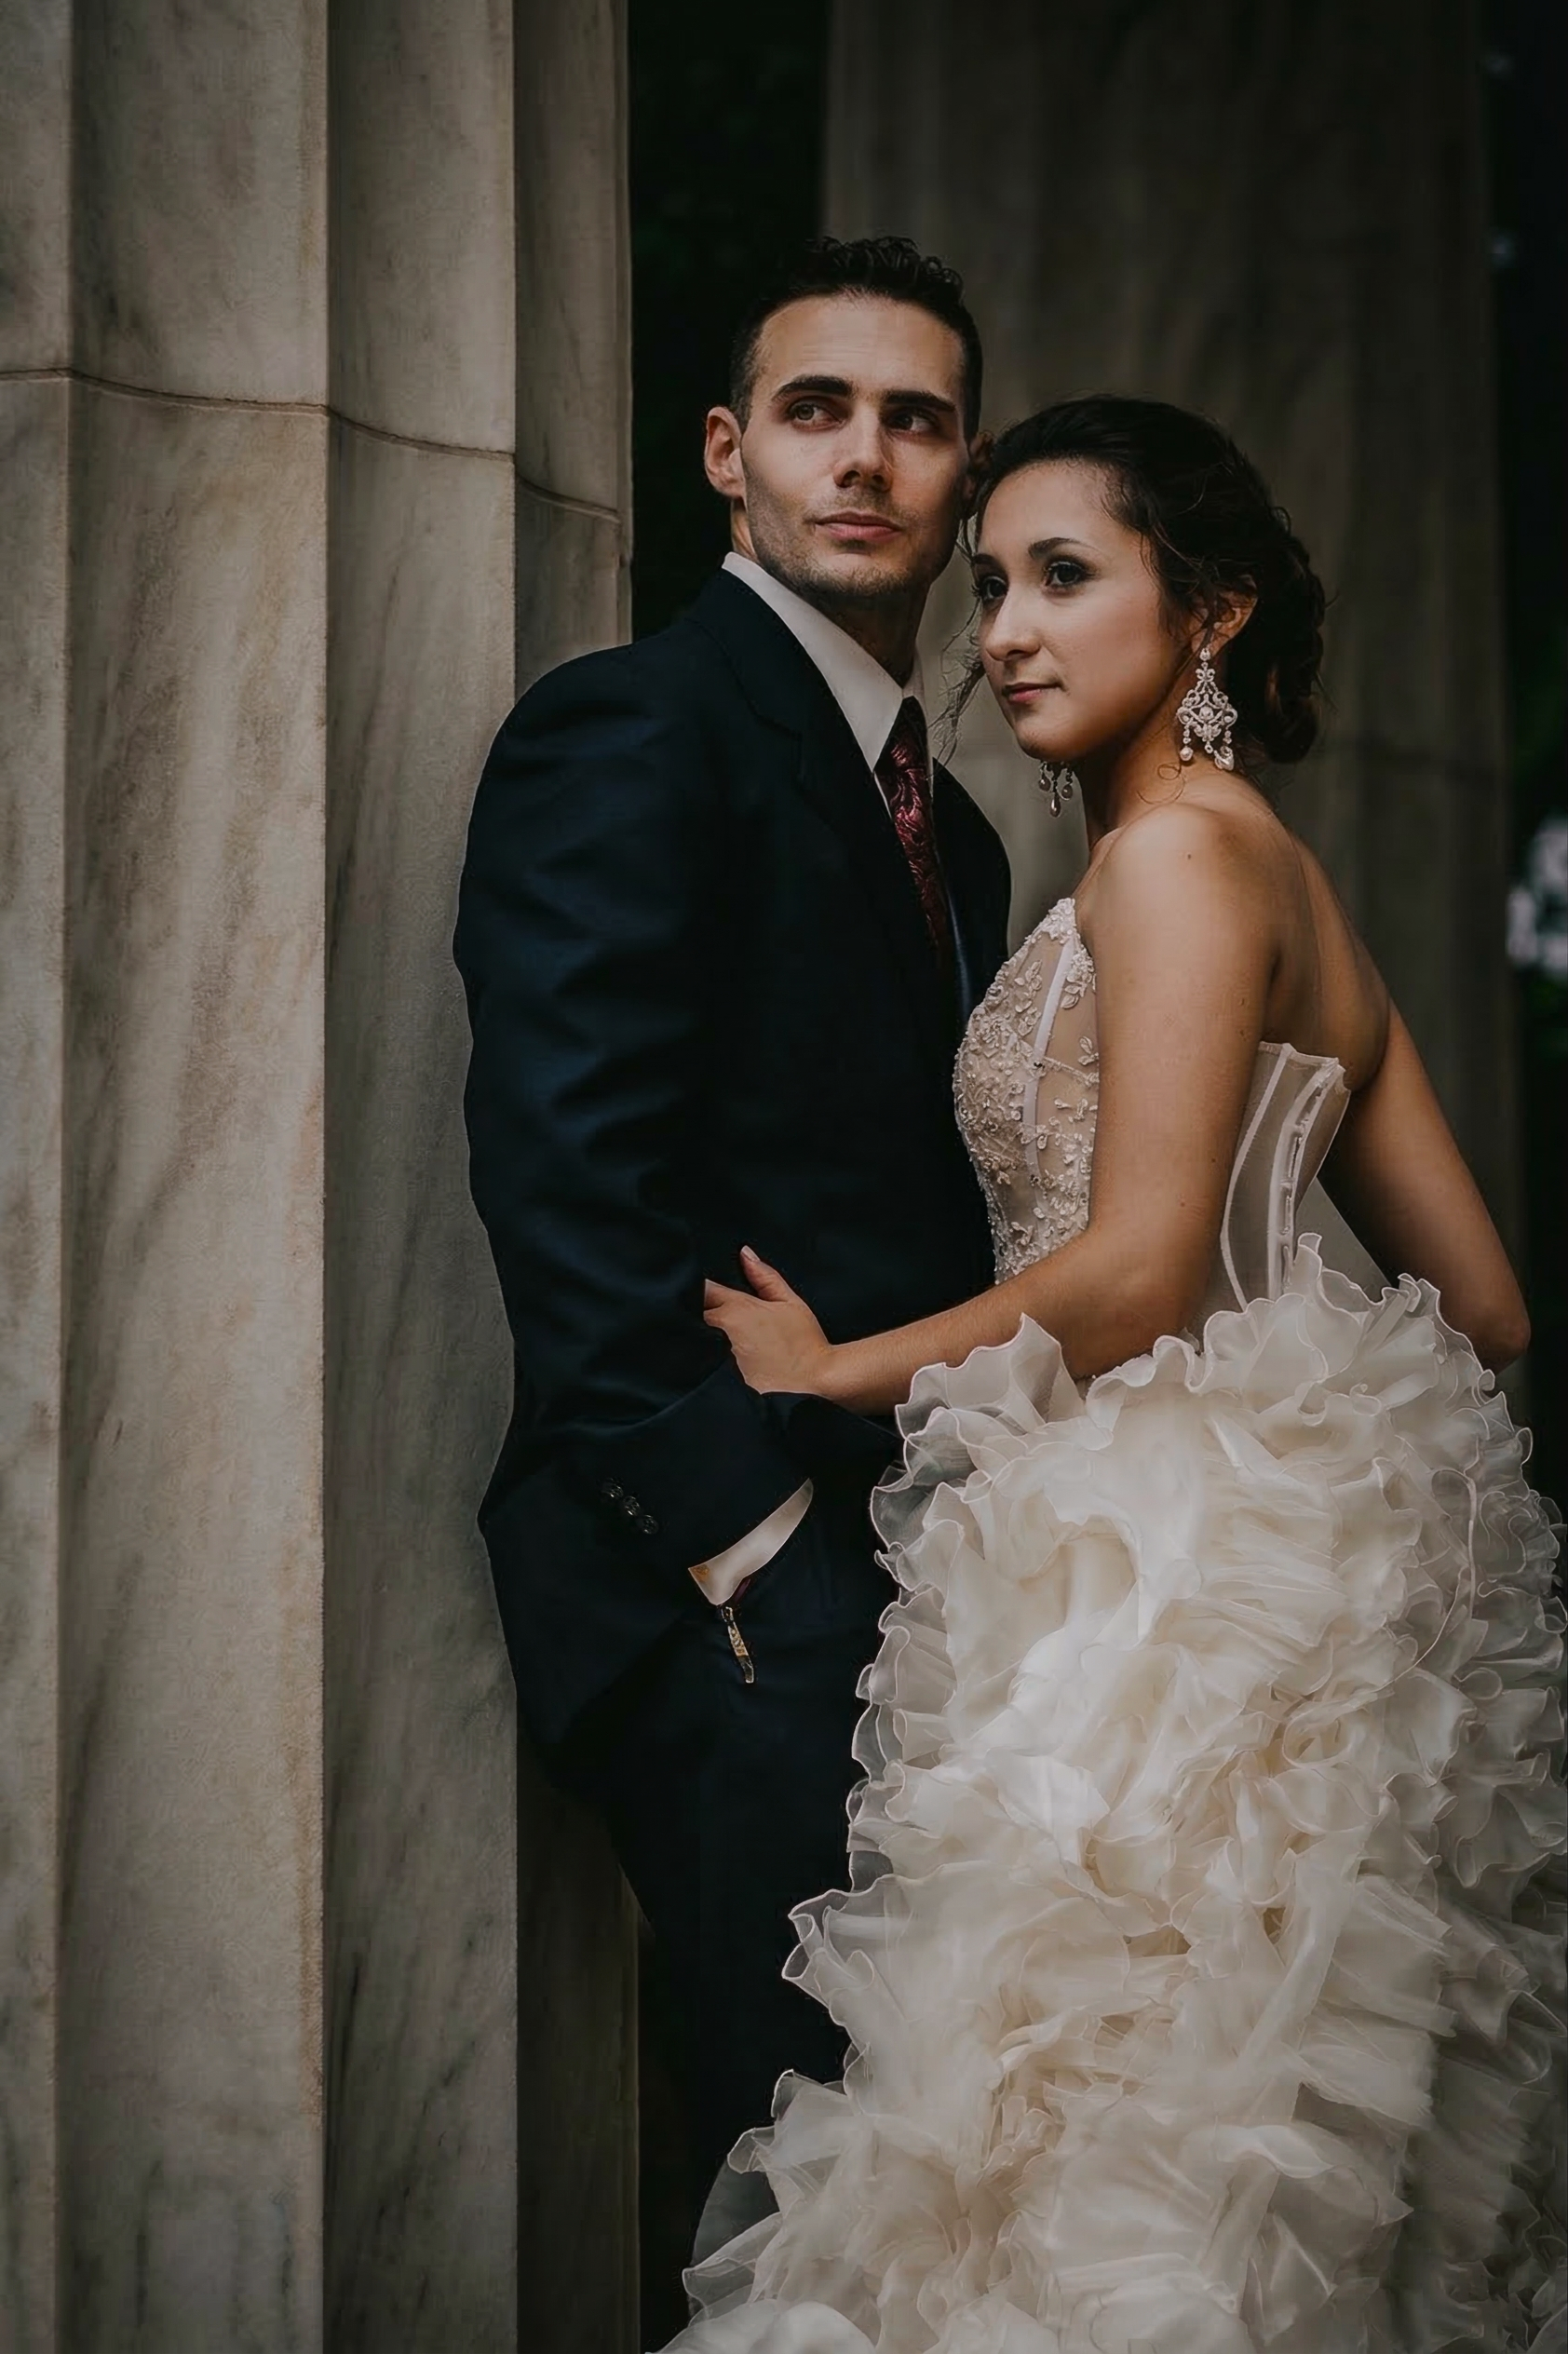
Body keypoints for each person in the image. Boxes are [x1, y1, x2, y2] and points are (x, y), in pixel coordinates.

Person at [682, 398, 1567, 2349]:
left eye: (1065, 576)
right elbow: (1487, 1305)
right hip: (1280, 1541)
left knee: (1080, 2121)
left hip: (1154, 1552)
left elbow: (1146, 1265)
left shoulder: (1169, 867)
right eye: (989, 581)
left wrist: (837, 1370)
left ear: (1212, 613)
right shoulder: (1280, 874)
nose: (1003, 625)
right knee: (1218, 2119)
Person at [453, 237, 1011, 2271]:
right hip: (733, 1605)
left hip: (925, 1588)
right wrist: (758, 1551)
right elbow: (566, 1165)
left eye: (915, 418)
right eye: (814, 409)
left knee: (937, 2177)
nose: (863, 456)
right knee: (795, 2200)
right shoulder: (631, 727)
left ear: (959, 474)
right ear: (725, 455)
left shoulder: (964, 825)